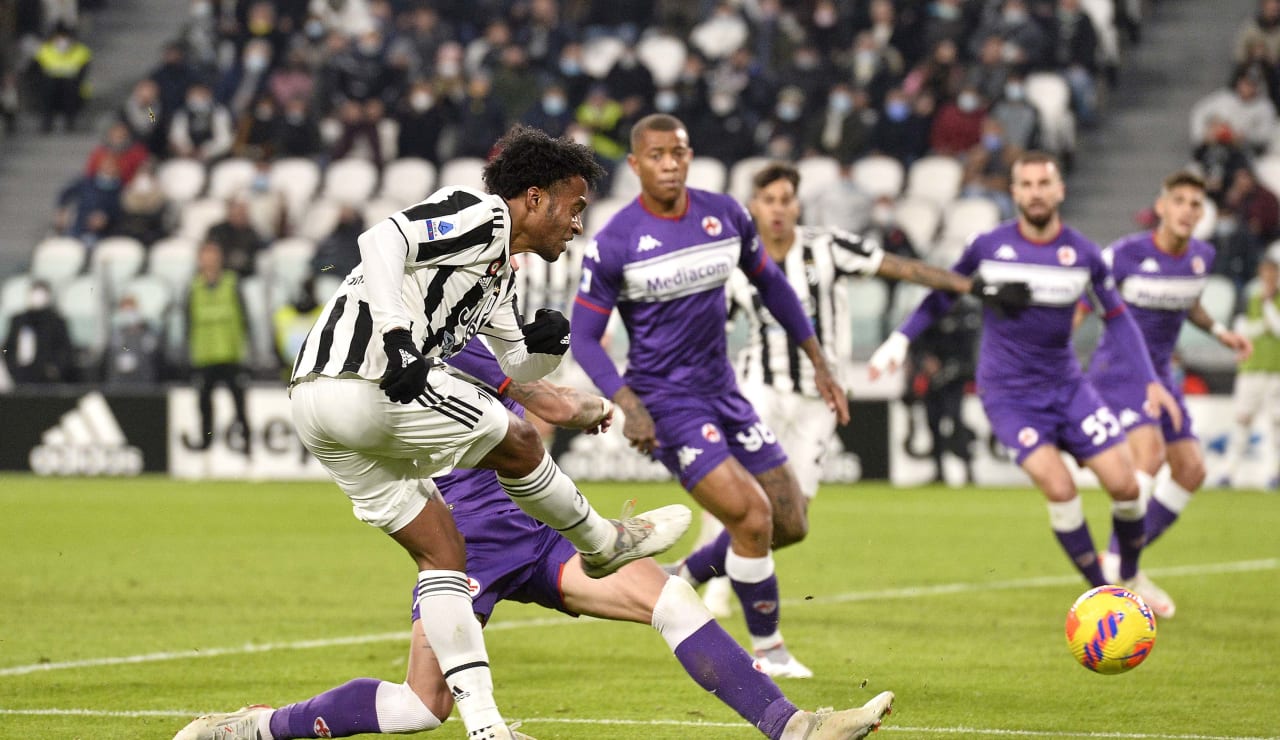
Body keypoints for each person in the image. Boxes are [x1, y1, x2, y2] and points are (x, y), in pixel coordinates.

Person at [171, 340, 896, 740]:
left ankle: (792, 726)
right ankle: (256, 729)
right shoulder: (424, 343)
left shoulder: (469, 333)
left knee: (673, 600)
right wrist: (601, 408)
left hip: (535, 530)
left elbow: (533, 411)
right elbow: (542, 404)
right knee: (420, 708)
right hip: (465, 544)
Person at [280, 126, 690, 740]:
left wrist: (547, 347)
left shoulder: (497, 277)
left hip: (315, 404)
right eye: (574, 206)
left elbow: (516, 367)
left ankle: (485, 727)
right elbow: (380, 238)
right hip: (362, 376)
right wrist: (397, 337)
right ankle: (601, 541)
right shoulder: (480, 214)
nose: (577, 224)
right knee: (518, 442)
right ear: (535, 198)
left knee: (444, 553)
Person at [569, 115, 838, 678]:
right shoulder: (617, 240)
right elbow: (585, 337)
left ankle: (687, 573)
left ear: (690, 156)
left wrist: (819, 362)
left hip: (724, 391)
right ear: (635, 164)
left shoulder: (725, 216)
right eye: (657, 155)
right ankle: (769, 653)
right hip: (667, 403)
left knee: (789, 523)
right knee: (752, 517)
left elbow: (773, 286)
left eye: (679, 152)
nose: (670, 164)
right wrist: (628, 404)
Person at [695, 163, 1026, 615]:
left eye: (786, 200)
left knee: (792, 521)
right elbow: (712, 332)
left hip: (820, 400)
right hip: (759, 391)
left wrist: (973, 287)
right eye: (768, 200)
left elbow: (902, 268)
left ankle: (712, 566)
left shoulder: (827, 247)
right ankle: (712, 585)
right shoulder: (736, 264)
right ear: (754, 205)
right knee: (736, 491)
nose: (777, 209)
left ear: (798, 205)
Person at [869, 151, 1183, 592]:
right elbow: (943, 293)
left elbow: (1117, 317)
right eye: (1027, 185)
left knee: (1127, 488)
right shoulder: (988, 247)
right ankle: (1104, 592)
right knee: (1060, 488)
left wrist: (1150, 379)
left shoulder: (1083, 254)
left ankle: (1128, 573)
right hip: (1010, 395)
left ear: (1060, 190)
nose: (1036, 193)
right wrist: (901, 339)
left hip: (1068, 387)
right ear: (1014, 192)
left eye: (1043, 184)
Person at [1077, 172, 1253, 618]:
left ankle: (1122, 561)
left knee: (1191, 470)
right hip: (1118, 370)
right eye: (1179, 201)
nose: (1187, 210)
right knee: (1150, 456)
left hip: (1161, 375)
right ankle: (1119, 566)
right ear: (1161, 207)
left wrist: (1220, 332)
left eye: (1196, 204)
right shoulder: (1125, 254)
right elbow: (1084, 301)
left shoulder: (1201, 257)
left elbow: (1188, 302)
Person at [183, 241, 251, 454]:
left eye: (213, 256)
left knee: (239, 402)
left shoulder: (232, 283)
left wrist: (246, 348)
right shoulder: (193, 287)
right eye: (206, 256)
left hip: (230, 353)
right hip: (204, 354)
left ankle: (246, 442)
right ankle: (205, 443)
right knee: (204, 403)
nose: (210, 261)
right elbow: (188, 322)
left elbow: (245, 318)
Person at [1220, 255, 1280, 489]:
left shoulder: (1271, 301)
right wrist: (1264, 325)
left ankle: (1275, 473)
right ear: (1260, 273)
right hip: (1250, 369)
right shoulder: (1247, 297)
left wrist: (1268, 307)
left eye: (1273, 272)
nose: (1269, 276)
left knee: (1276, 424)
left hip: (1276, 370)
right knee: (1242, 420)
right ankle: (1228, 472)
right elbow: (1240, 331)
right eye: (1266, 272)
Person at [2, 280, 75, 384]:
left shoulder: (56, 322)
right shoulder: (18, 320)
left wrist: (54, 369)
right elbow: (8, 347)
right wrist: (13, 368)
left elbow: (64, 350)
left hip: (47, 379)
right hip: (20, 376)